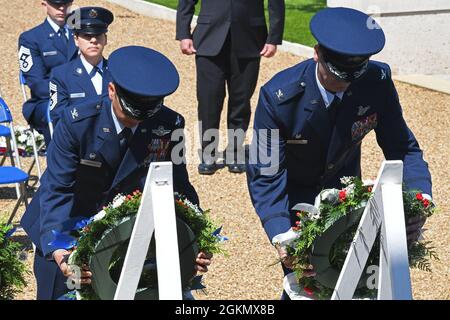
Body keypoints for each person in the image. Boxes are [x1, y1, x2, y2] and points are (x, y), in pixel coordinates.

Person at [246, 7, 433, 298]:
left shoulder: (375, 81)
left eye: (353, 76)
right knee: (309, 285)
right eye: (337, 76)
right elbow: (266, 173)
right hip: (298, 204)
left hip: (348, 199)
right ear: (317, 53)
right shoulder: (278, 98)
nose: (345, 84)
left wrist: (420, 198)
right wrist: (281, 233)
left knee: (357, 285)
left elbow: (402, 148)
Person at [20, 46, 212, 300]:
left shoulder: (168, 124)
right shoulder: (77, 123)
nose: (139, 120)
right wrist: (62, 249)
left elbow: (177, 185)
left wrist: (194, 240)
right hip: (66, 223)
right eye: (132, 111)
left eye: (149, 112)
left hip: (125, 231)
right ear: (111, 91)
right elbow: (58, 189)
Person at [176, 0, 285, 174]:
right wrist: (184, 34)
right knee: (208, 101)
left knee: (241, 101)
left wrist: (273, 38)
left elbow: (276, 3)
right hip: (208, 38)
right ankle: (208, 153)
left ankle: (235, 152)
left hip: (250, 37)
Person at [18, 0, 78, 145]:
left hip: (79, 96)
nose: (62, 8)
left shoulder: (80, 33)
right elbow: (38, 85)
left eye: (66, 3)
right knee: (62, 111)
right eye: (56, 4)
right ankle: (60, 165)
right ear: (44, 3)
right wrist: (71, 94)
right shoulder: (31, 38)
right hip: (46, 101)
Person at [49, 6, 114, 125]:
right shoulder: (62, 75)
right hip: (80, 141)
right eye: (87, 36)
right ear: (76, 40)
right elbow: (59, 117)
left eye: (98, 35)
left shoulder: (116, 71)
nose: (93, 40)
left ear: (105, 39)